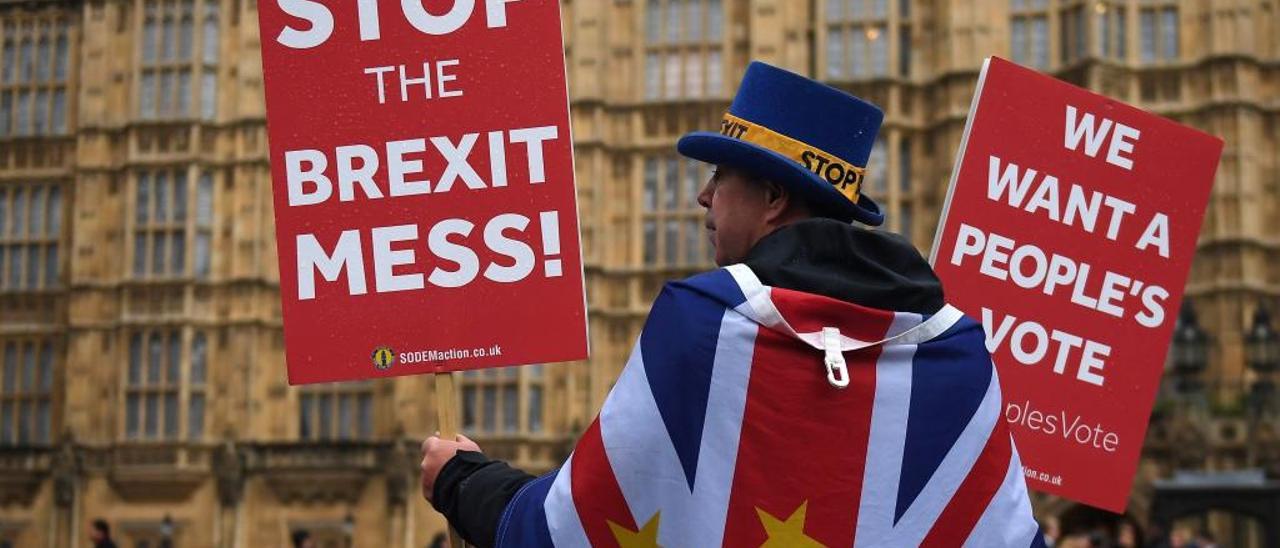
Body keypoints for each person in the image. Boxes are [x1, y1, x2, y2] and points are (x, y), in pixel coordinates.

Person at [421, 61, 1042, 546]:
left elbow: (571, 526)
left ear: (772, 198)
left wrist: (462, 479)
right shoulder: (960, 351)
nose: (701, 196)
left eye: (721, 177)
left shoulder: (704, 321)